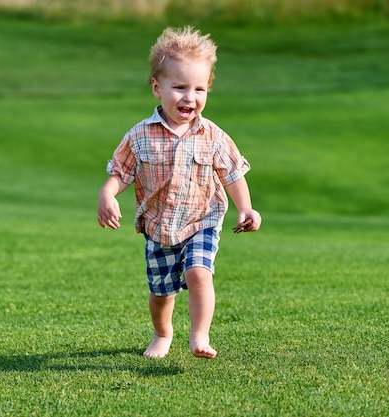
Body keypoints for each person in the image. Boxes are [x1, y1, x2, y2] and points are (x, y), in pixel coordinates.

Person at [97, 26, 261, 359]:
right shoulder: (140, 135)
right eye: (180, 87)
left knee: (199, 272)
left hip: (202, 221)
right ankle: (162, 332)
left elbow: (232, 173)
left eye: (199, 89)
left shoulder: (212, 135)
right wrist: (108, 194)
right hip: (159, 229)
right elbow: (121, 172)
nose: (190, 97)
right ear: (157, 88)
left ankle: (200, 336)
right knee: (161, 293)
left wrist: (246, 208)